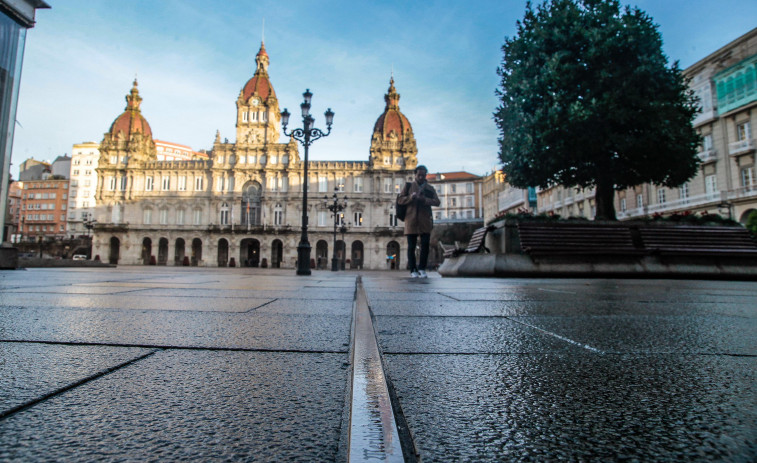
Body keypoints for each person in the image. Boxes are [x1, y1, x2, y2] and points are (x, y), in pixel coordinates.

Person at [397, 165, 440, 278]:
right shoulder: (408, 186)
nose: (421, 177)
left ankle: (422, 268)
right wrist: (411, 197)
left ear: (425, 175)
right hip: (411, 220)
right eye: (419, 175)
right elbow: (400, 200)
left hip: (425, 220)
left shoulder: (430, 189)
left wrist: (424, 200)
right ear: (415, 175)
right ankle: (413, 270)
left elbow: (437, 202)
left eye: (423, 175)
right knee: (411, 246)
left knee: (425, 245)